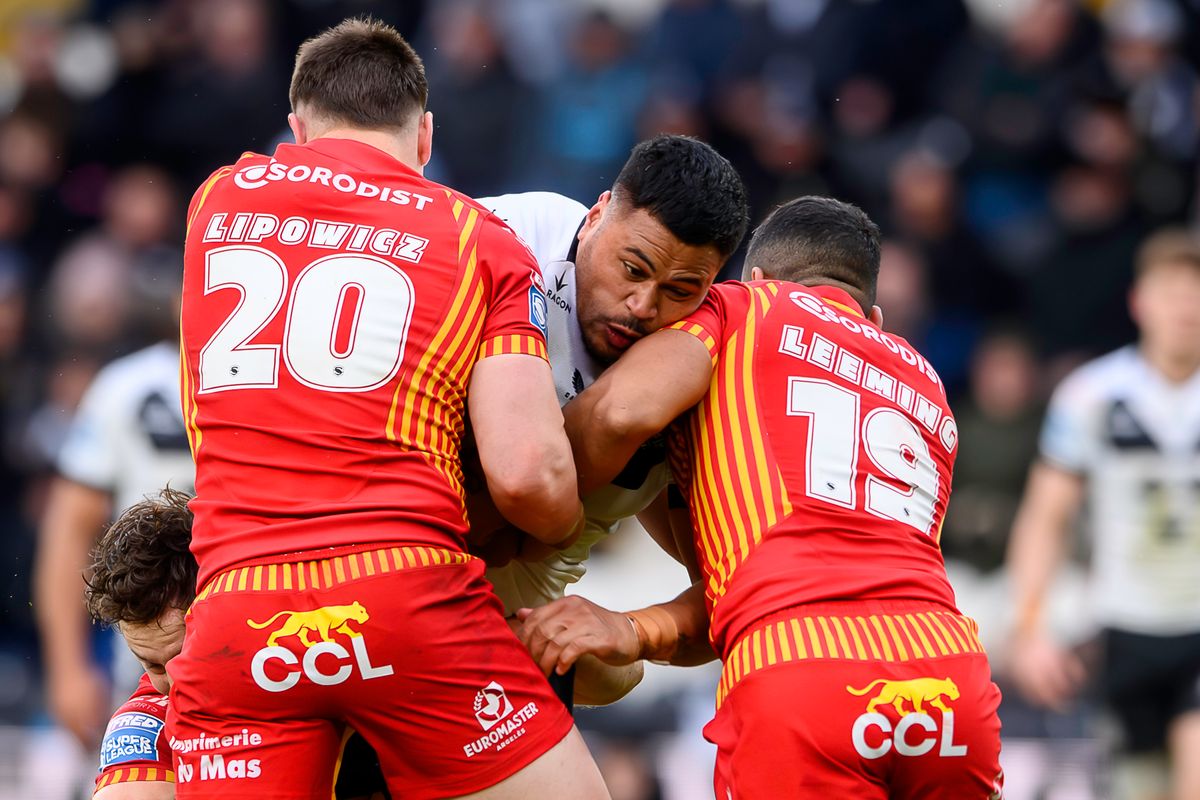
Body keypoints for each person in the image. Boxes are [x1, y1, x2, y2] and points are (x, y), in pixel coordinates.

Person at [174, 18, 606, 799]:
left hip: (237, 613)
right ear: (426, 135)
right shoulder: (480, 237)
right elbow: (529, 475)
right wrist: (575, 525)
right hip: (404, 597)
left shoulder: (215, 202)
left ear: (296, 129)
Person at [524, 196, 1004, 797]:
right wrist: (637, 629)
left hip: (801, 666)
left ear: (756, 277)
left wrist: (525, 499)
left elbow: (620, 413)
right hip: (950, 674)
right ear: (875, 318)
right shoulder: (926, 381)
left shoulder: (739, 308)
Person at [475, 133, 749, 704]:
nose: (643, 306)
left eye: (681, 290)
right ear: (597, 215)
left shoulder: (703, 368)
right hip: (392, 547)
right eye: (632, 268)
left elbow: (732, 592)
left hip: (515, 627)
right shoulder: (506, 236)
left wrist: (634, 631)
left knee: (617, 678)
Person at [1006, 228, 1200, 800]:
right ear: (1139, 302)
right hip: (1122, 627)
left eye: (1195, 293)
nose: (1184, 308)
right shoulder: (1090, 394)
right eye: (1171, 292)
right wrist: (1030, 627)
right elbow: (1045, 518)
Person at [86, 488, 388, 800]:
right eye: (153, 666)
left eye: (184, 655)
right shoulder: (146, 719)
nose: (175, 683)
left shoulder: (333, 662)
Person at [34, 264, 194, 752]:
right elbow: (70, 527)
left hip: (255, 640)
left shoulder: (292, 377)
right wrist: (67, 668)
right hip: (152, 655)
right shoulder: (126, 386)